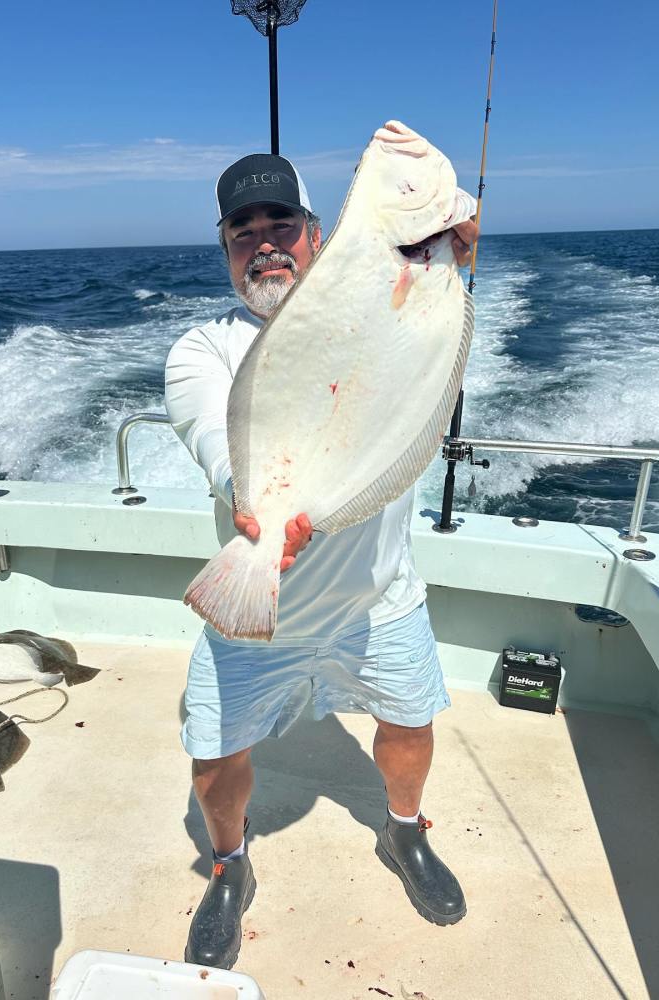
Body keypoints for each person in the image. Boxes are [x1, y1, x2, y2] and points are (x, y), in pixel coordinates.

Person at [165, 151, 479, 970]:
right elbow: (213, 439)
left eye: (281, 226)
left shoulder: (384, 307)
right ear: (225, 249)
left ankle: (404, 833)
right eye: (244, 233)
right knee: (213, 757)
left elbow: (428, 343)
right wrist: (255, 502)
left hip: (378, 600)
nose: (265, 244)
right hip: (256, 605)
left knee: (410, 725)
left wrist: (447, 260)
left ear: (317, 235)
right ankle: (229, 865)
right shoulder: (202, 349)